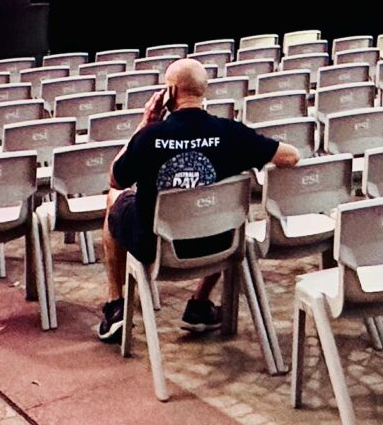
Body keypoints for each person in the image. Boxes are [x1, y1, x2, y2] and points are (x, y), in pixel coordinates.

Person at [96, 58, 298, 343]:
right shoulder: (231, 132)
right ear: (204, 91)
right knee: (226, 206)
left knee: (114, 198)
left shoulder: (150, 137)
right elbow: (291, 156)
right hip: (220, 244)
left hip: (158, 248)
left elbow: (115, 179)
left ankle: (115, 304)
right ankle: (199, 304)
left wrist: (144, 124)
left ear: (169, 91)